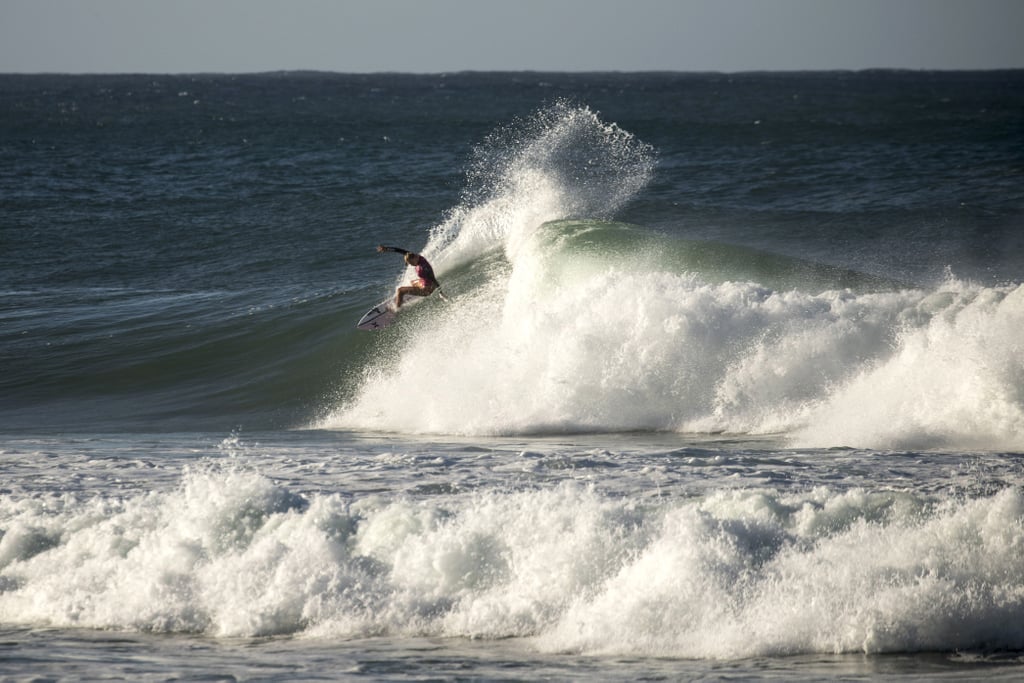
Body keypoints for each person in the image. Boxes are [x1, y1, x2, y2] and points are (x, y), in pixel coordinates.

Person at [376, 245, 441, 308]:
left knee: (400, 290)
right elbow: (400, 251)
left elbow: (433, 279)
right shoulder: (415, 257)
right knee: (412, 282)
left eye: (411, 263)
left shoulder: (423, 267)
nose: (411, 265)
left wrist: (441, 293)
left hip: (427, 290)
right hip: (425, 283)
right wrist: (387, 249)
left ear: (414, 259)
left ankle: (396, 309)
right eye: (409, 263)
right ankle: (407, 295)